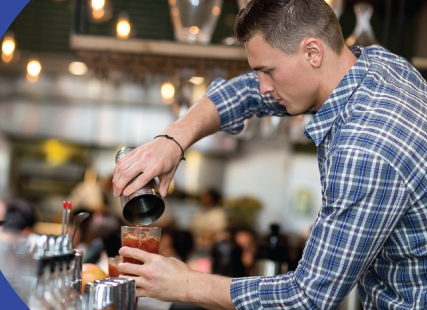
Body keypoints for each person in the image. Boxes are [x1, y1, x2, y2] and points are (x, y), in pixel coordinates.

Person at [112, 0, 427, 309]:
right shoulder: (380, 65)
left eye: (268, 71)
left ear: (313, 52)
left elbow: (306, 298)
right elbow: (246, 92)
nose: (263, 86)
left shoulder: (366, 147)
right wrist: (173, 139)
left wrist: (186, 284)